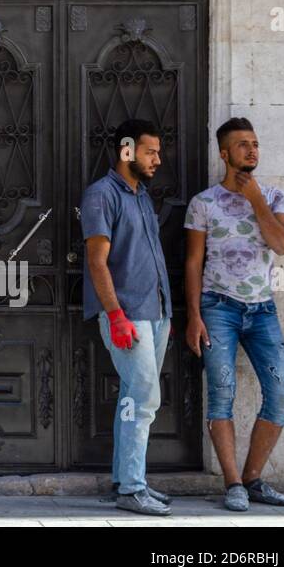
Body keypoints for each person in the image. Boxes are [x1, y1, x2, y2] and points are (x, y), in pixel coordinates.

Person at [184, 117, 284, 512]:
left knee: (280, 394)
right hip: (218, 308)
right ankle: (233, 484)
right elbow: (193, 263)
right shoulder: (203, 203)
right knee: (222, 394)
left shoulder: (275, 197)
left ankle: (253, 478)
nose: (251, 150)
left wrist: (257, 202)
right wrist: (194, 315)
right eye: (242, 144)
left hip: (262, 310)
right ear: (224, 153)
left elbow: (282, 245)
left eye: (255, 143)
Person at [80, 118, 174, 516]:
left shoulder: (141, 196)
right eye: (150, 152)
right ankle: (133, 488)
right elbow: (97, 262)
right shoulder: (101, 195)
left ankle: (125, 480)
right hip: (127, 315)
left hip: (156, 311)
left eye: (158, 152)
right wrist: (116, 315)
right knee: (144, 398)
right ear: (126, 150)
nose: (158, 159)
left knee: (133, 399)